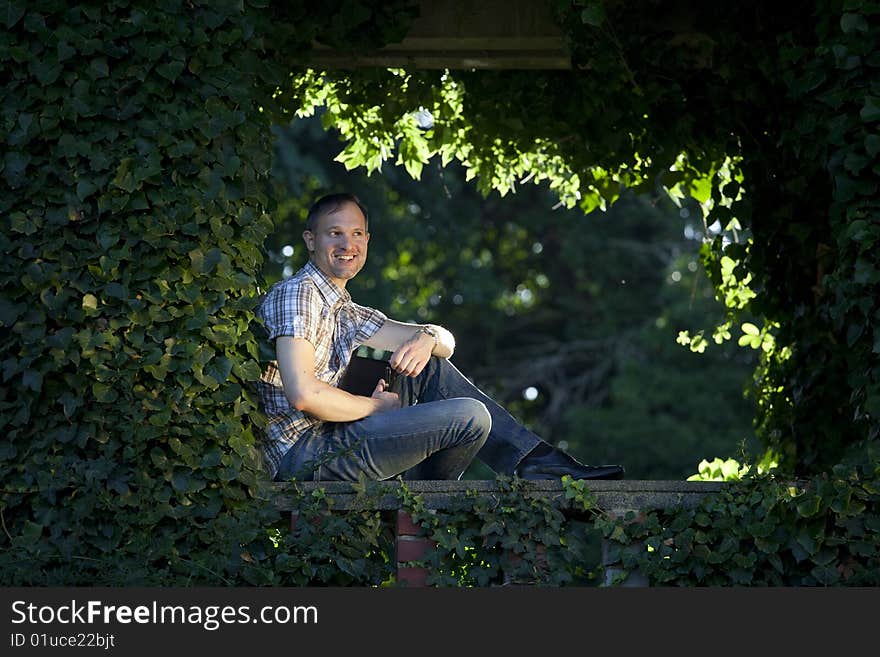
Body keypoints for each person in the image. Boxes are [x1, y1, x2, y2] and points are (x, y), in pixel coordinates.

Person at [256, 192, 625, 483]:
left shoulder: (346, 311)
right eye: (334, 233)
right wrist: (374, 408)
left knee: (429, 366)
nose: (347, 244)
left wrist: (428, 337)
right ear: (310, 239)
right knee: (469, 417)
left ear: (367, 239)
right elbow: (304, 394)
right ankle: (428, 501)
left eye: (356, 234)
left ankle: (538, 464)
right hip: (302, 454)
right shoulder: (299, 294)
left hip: (330, 440)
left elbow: (444, 344)